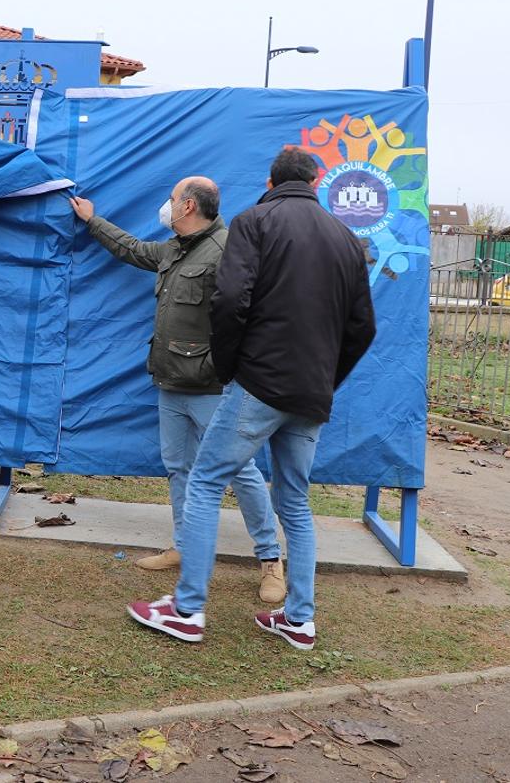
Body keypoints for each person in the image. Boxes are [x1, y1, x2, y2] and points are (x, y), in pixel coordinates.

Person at [128, 148, 377, 651]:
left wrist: (228, 367)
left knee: (202, 483)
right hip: (311, 392)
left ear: (270, 181)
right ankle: (299, 619)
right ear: (316, 181)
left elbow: (229, 300)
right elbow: (362, 327)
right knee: (296, 503)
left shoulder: (254, 221)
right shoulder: (347, 240)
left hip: (261, 383)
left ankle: (186, 610)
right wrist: (326, 378)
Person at [70, 177, 285, 603]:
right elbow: (133, 249)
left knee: (241, 473)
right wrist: (93, 221)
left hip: (211, 389)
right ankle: (185, 547)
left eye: (171, 200)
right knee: (178, 467)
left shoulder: (227, 250)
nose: (166, 207)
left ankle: (271, 560)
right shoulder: (175, 248)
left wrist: (218, 367)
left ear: (187, 206)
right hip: (170, 383)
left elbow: (250, 317)